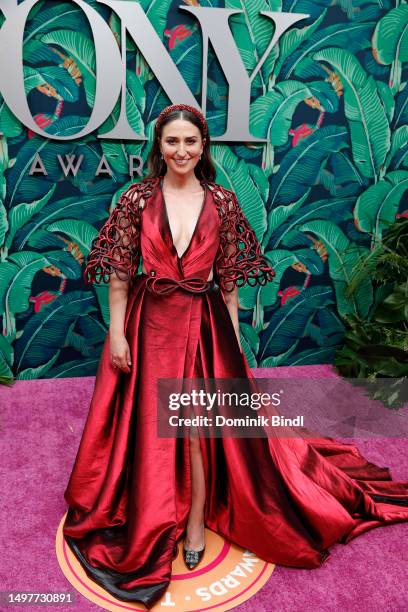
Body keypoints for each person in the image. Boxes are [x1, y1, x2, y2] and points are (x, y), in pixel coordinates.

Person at [63, 103, 408, 610]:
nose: (181, 151)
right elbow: (118, 277)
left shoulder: (223, 203)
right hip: (148, 324)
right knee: (148, 430)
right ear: (158, 147)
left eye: (190, 142)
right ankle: (151, 507)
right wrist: (117, 335)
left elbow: (228, 288)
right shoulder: (136, 200)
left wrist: (235, 346)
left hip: (203, 330)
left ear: (204, 148)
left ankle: (196, 520)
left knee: (199, 433)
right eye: (172, 142)